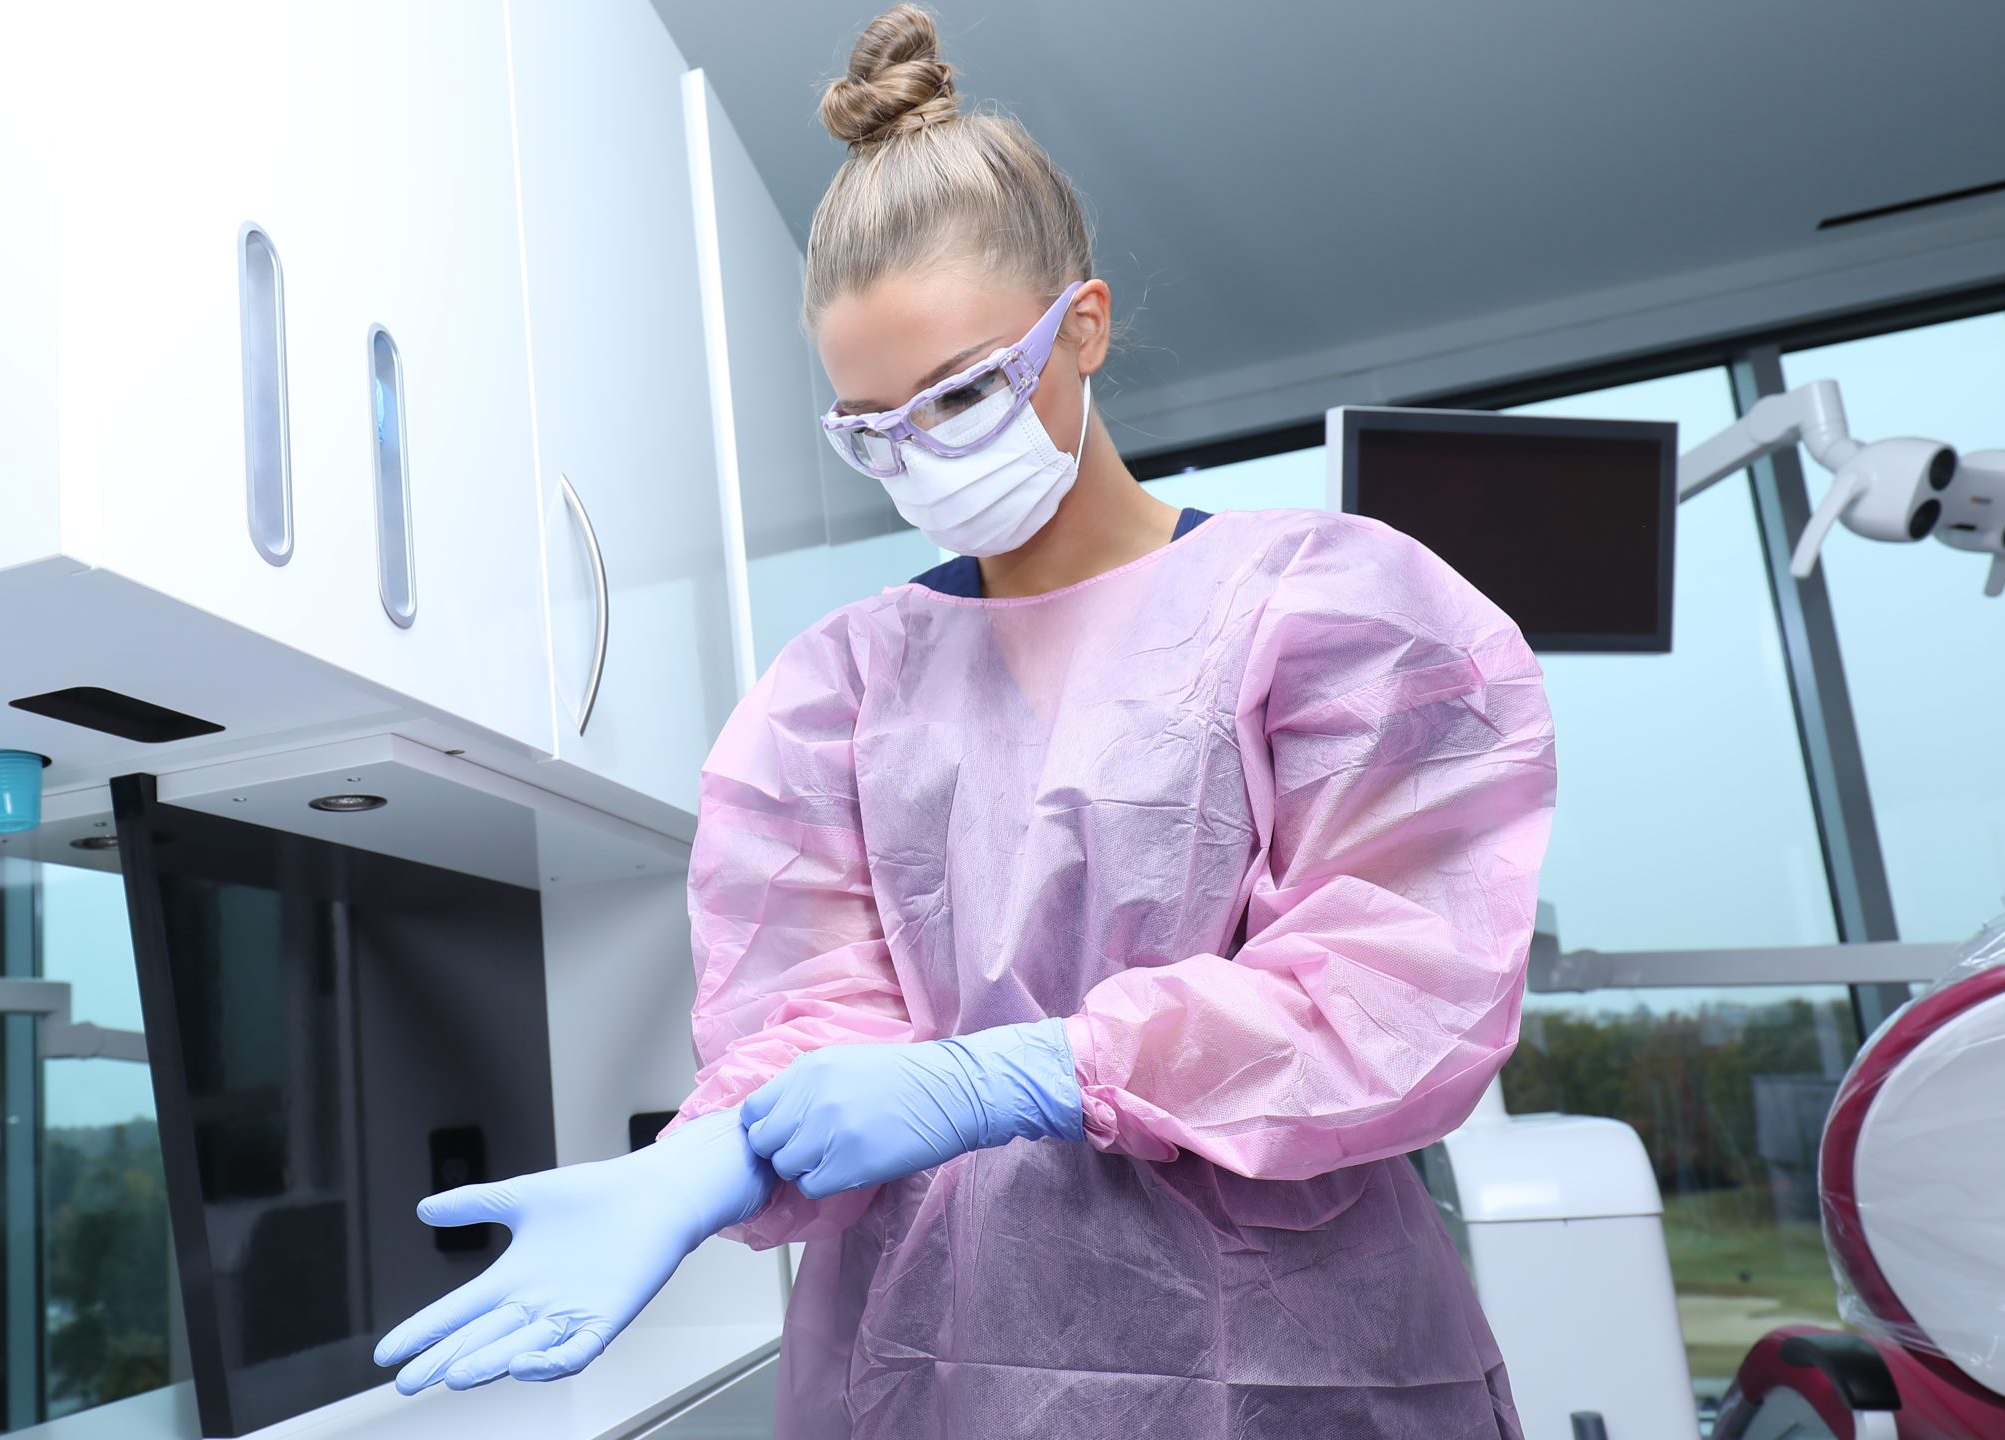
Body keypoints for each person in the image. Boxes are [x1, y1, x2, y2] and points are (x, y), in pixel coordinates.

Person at [375, 7, 1555, 1435]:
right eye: (872, 429)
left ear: (1086, 327)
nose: (920, 456)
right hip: (935, 1368)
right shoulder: (839, 692)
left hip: (1294, 1369)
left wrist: (1022, 1071)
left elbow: (1402, 989)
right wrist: (710, 1160)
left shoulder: (1324, 609)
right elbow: (812, 1019)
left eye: (962, 395)